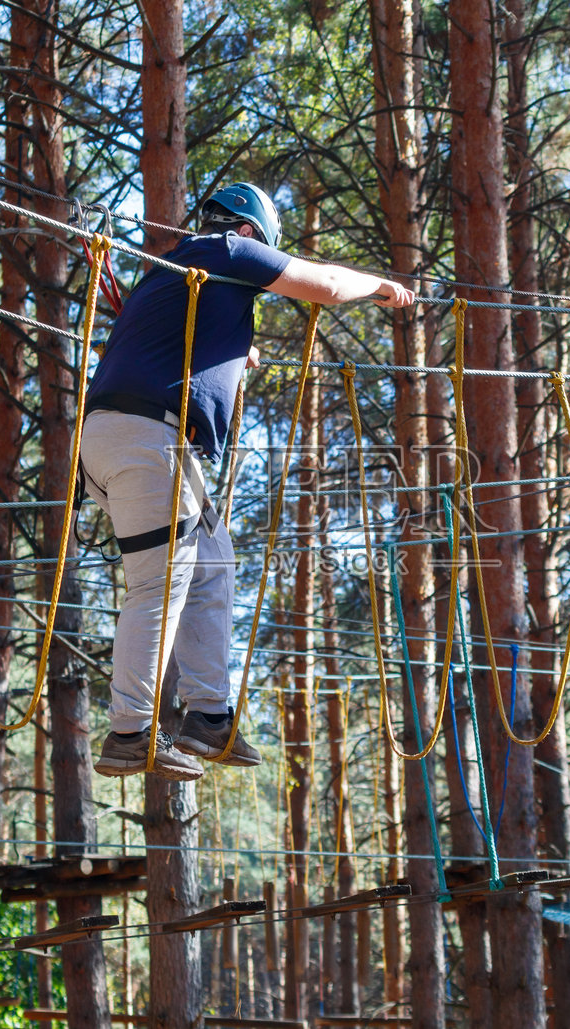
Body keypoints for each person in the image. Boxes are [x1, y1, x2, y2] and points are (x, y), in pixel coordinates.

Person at [82, 182, 416, 781]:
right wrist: (378, 286)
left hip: (128, 439)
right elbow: (327, 285)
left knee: (212, 563)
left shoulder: (179, 276)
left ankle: (208, 716)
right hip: (146, 438)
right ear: (248, 232)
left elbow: (176, 340)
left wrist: (239, 348)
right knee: (159, 584)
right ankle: (129, 731)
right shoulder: (228, 250)